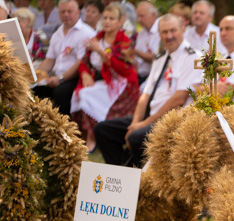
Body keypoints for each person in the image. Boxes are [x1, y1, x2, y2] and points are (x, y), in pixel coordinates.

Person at [93, 13, 202, 167]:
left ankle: (143, 181)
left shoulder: (193, 58)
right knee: (103, 130)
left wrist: (144, 124)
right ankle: (123, 176)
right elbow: (145, 95)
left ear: (183, 29)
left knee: (137, 138)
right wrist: (136, 123)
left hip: (173, 121)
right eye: (164, 32)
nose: (169, 36)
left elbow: (179, 99)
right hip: (151, 116)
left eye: (173, 30)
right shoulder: (160, 58)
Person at [70, 3, 138, 153]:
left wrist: (100, 51)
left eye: (111, 18)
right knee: (79, 94)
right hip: (105, 81)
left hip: (123, 84)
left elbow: (122, 69)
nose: (107, 21)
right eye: (105, 18)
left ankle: (92, 138)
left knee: (86, 95)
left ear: (121, 21)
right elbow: (84, 62)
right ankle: (83, 137)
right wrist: (85, 74)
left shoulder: (125, 41)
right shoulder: (98, 38)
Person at [33, 0, 96, 117]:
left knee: (60, 93)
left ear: (78, 12)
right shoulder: (58, 33)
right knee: (35, 90)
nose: (66, 14)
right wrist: (35, 75)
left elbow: (80, 63)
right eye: (63, 12)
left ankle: (66, 128)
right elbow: (49, 60)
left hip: (77, 77)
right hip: (56, 76)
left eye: (69, 11)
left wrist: (60, 79)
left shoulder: (86, 33)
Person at [134, 1, 160, 85]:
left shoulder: (161, 31)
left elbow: (156, 58)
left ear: (153, 15)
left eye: (142, 16)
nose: (139, 20)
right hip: (138, 75)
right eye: (138, 16)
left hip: (153, 78)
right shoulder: (142, 32)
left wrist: (135, 51)